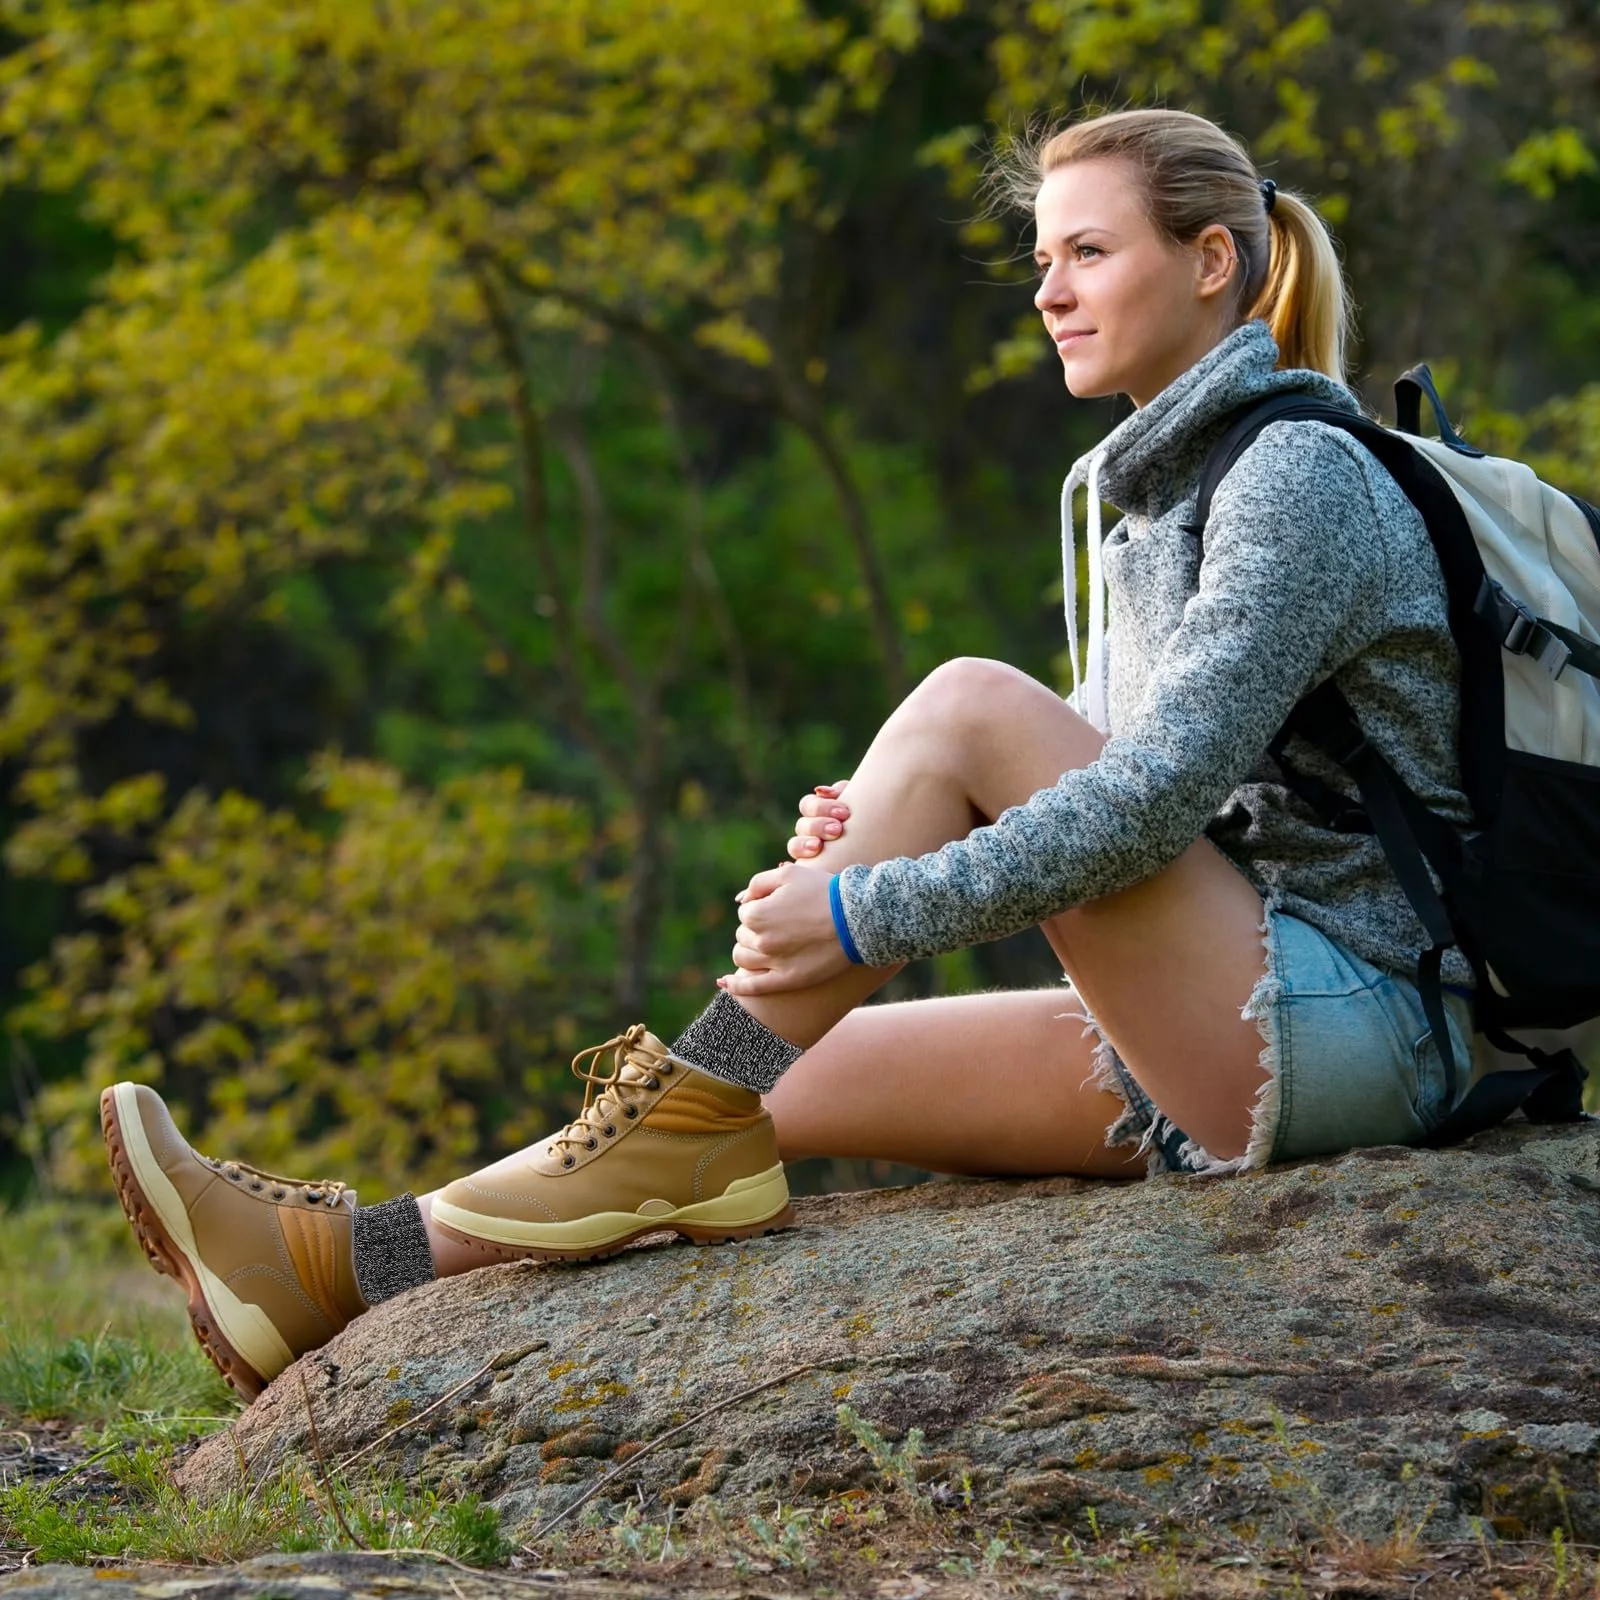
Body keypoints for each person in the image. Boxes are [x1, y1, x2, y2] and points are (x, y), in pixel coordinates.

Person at [101, 107, 1480, 1401]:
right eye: (1041, 258)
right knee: (765, 1080)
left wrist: (864, 902)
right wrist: (890, 822)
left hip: (1368, 1021)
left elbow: (1142, 812)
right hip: (1238, 1001)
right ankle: (336, 1273)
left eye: (1089, 253)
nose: (1049, 290)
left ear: (1212, 262)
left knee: (966, 702)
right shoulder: (1152, 505)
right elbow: (1158, 806)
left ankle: (452, 1212)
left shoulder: (1300, 474)